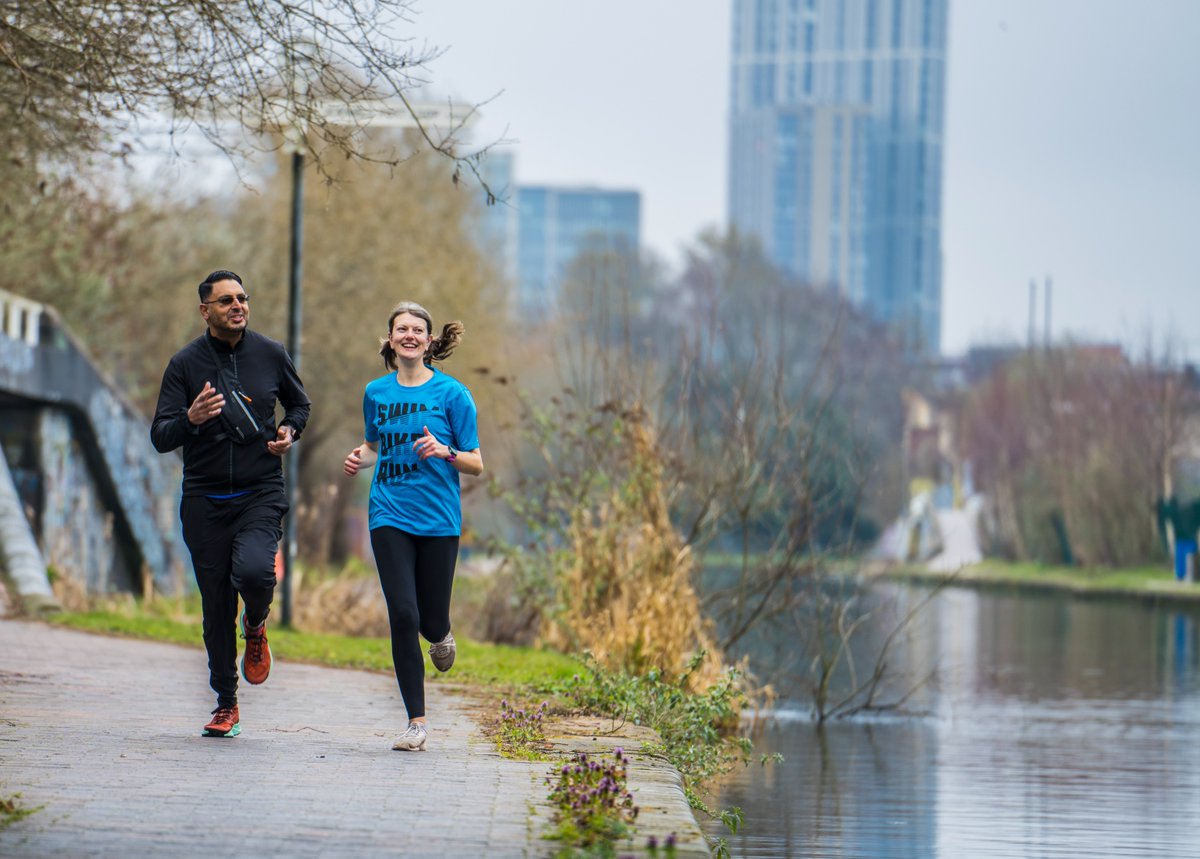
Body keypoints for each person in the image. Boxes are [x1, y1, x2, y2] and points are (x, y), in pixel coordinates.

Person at [151, 270, 311, 738]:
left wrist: (288, 431)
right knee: (216, 605)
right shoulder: (184, 365)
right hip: (204, 499)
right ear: (206, 311)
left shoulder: (271, 353)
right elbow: (161, 435)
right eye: (225, 301)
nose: (237, 305)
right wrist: (190, 418)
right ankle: (226, 703)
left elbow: (299, 406)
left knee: (258, 573)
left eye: (242, 298)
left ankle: (256, 625)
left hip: (261, 491)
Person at [343, 301, 483, 751]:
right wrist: (358, 458)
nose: (408, 335)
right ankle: (417, 723)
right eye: (400, 328)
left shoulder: (453, 395)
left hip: (439, 520)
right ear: (389, 338)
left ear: (427, 340)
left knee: (429, 619)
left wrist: (443, 451)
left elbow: (476, 463)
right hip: (388, 514)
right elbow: (372, 446)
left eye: (417, 330)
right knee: (403, 614)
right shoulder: (376, 392)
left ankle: (441, 633)